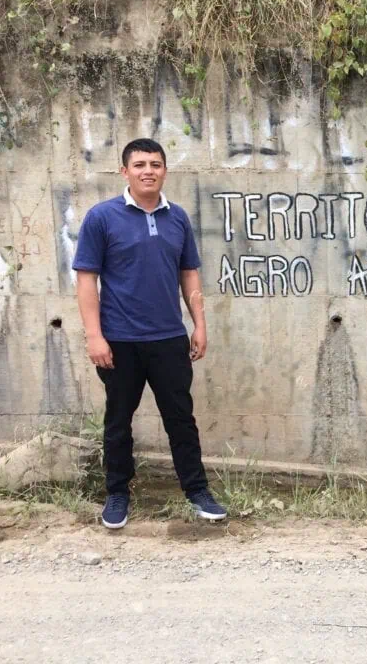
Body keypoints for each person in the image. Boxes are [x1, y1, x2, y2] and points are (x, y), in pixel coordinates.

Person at [73, 138, 226, 529]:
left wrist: (200, 325)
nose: (148, 171)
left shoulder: (177, 218)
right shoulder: (102, 217)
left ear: (164, 171)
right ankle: (117, 495)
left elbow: (188, 272)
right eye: (139, 164)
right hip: (119, 340)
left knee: (181, 419)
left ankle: (197, 492)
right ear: (124, 171)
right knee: (118, 421)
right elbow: (86, 278)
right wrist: (94, 336)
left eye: (155, 164)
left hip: (168, 339)